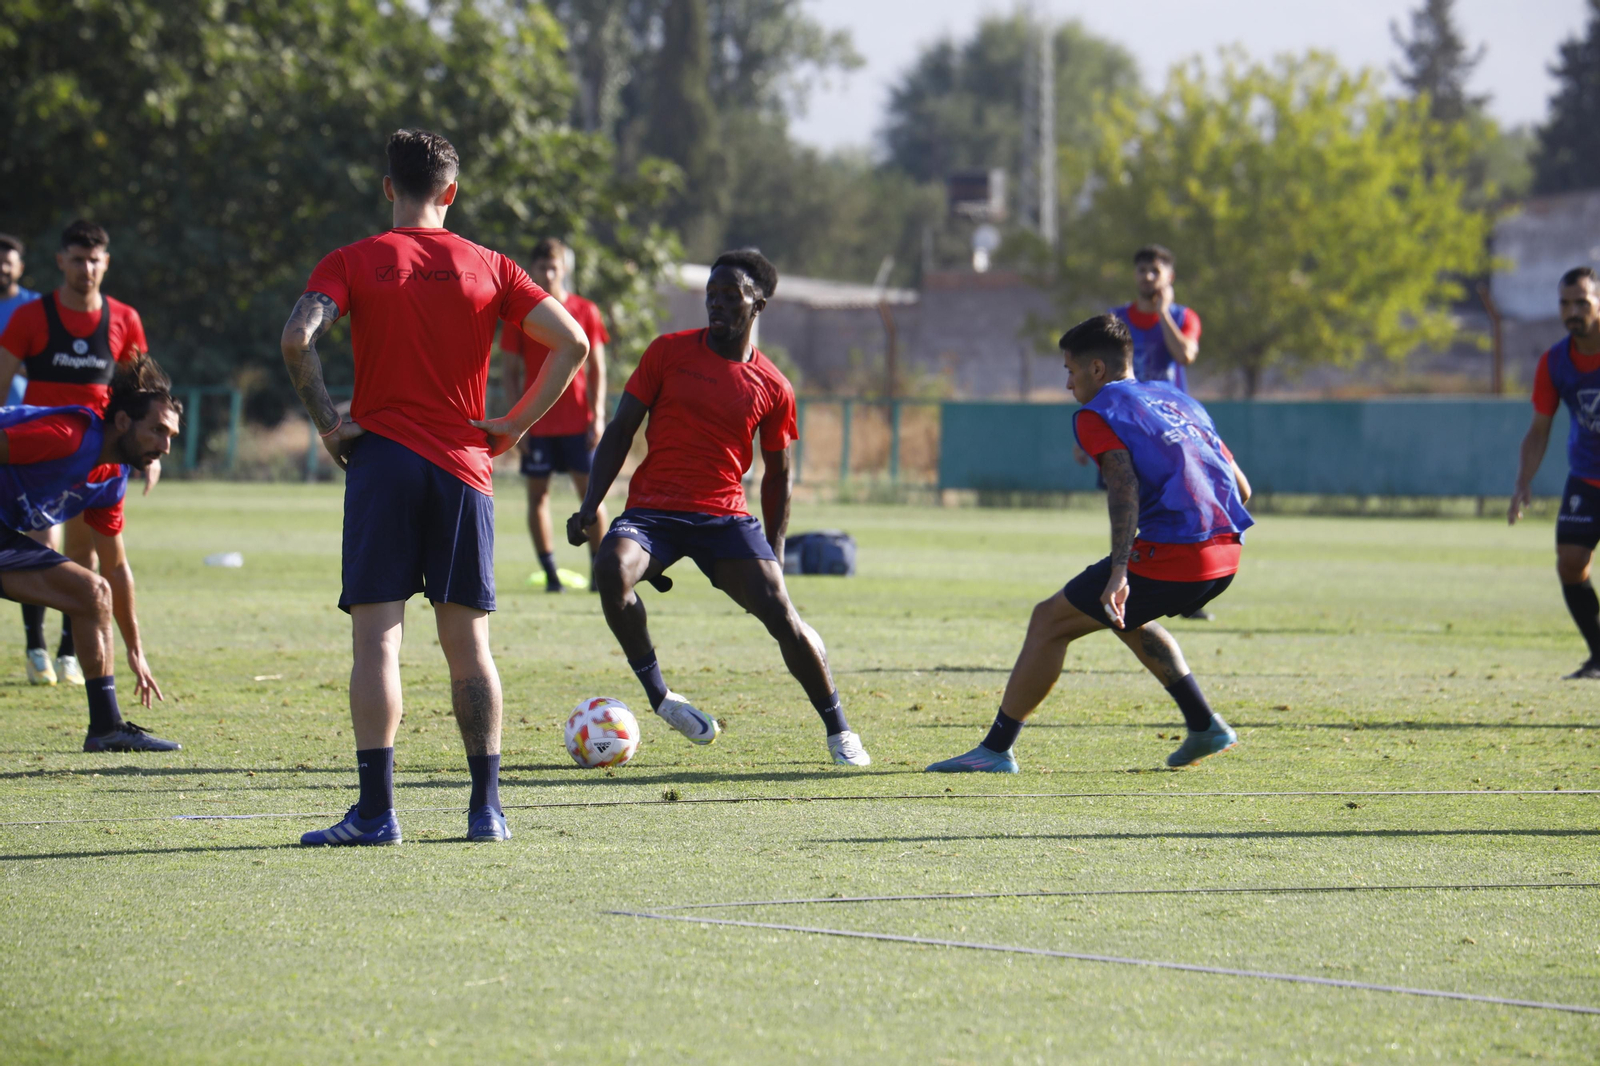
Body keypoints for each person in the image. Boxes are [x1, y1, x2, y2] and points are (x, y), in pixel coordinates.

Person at [281, 129, 589, 847]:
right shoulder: (491, 265)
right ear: (451, 191)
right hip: (462, 469)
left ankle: (376, 814)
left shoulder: (351, 261)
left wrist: (329, 424)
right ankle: (487, 811)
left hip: (382, 465)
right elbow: (572, 342)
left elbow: (298, 337)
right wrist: (512, 424)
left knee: (377, 646)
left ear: (389, 187)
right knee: (469, 647)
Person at [567, 249, 871, 767]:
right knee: (611, 569)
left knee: (782, 616)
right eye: (712, 294)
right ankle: (662, 698)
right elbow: (620, 430)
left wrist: (775, 551)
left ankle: (840, 732)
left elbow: (778, 476)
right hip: (654, 514)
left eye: (731, 296)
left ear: (758, 305)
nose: (718, 304)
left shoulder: (773, 386)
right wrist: (590, 504)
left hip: (723, 518)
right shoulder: (666, 352)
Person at [927, 314, 1251, 774]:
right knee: (1120, 614)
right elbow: (1243, 489)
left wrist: (1120, 571)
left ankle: (994, 751)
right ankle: (1204, 725)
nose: (1067, 383)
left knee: (1049, 620)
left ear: (1096, 369)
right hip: (1227, 551)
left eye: (1070, 371)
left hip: (1179, 554)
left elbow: (1123, 490)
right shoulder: (1177, 398)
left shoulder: (1099, 411)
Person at [0, 221, 156, 686]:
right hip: (40, 456)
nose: (86, 269)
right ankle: (36, 647)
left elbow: (142, 395)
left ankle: (69, 650)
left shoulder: (124, 318)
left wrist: (151, 453)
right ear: (60, 261)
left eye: (94, 260)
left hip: (97, 459)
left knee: (83, 555)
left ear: (106, 263)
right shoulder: (31, 317)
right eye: (77, 259)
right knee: (40, 548)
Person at [0, 355, 179, 751]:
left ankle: (106, 728)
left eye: (170, 436)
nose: (165, 447)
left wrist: (134, 648)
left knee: (92, 593)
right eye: (157, 430)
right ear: (122, 422)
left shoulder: (110, 478)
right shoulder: (68, 436)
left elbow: (115, 568)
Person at [498, 237, 609, 592]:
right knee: (537, 498)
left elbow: (597, 368)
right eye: (542, 267)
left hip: (578, 423)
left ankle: (600, 572)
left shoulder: (585, 310)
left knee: (591, 497)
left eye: (553, 268)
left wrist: (598, 415)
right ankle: (550, 575)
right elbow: (510, 372)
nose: (547, 274)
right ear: (532, 269)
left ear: (564, 270)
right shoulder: (519, 314)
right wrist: (517, 422)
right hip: (537, 424)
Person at [1509, 266, 1600, 680]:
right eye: (1565, 303)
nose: (1573, 311)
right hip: (1586, 477)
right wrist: (1522, 481)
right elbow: (1538, 430)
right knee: (1570, 562)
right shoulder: (1554, 362)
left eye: (1582, 302)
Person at [1111, 244, 1201, 392]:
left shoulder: (1184, 317)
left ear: (1170, 277)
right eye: (1142, 270)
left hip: (1169, 404)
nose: (1148, 277)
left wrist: (1163, 312)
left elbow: (1185, 356)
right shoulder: (1115, 319)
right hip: (1129, 405)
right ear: (1135, 275)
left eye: (1155, 271)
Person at [0, 233, 39, 407]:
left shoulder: (37, 306)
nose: (3, 269)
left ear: (20, 268)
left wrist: (11, 367)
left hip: (25, 411)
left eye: (8, 263)